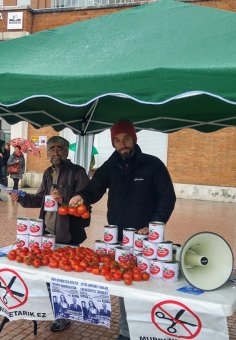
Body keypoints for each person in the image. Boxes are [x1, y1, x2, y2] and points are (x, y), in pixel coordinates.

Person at [69, 119, 176, 340]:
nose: (122, 144)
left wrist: (155, 223)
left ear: (134, 138)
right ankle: (126, 332)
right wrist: (82, 196)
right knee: (124, 283)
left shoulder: (152, 164)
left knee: (148, 282)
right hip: (118, 237)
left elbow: (167, 197)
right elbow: (95, 187)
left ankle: (150, 331)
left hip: (146, 237)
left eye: (126, 138)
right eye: (117, 140)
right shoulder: (110, 166)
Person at [10, 136, 91, 332]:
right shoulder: (47, 173)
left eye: (59, 148)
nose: (55, 152)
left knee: (64, 278)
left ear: (66, 151)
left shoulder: (77, 173)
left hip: (69, 234)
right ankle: (56, 311)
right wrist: (21, 197)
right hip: (47, 233)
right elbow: (40, 199)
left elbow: (86, 201)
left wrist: (66, 199)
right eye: (51, 149)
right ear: (47, 153)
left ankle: (64, 316)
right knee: (48, 276)